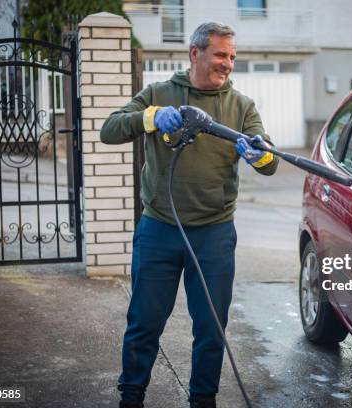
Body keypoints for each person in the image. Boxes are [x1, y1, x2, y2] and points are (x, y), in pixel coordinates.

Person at [100, 22, 279, 408]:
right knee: (144, 323)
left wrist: (260, 153)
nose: (228, 63)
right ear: (195, 53)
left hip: (214, 235)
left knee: (212, 329)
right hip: (159, 230)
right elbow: (110, 129)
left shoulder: (241, 106)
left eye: (232, 56)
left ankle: (203, 400)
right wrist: (150, 117)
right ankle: (131, 396)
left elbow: (270, 164)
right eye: (220, 54)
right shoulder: (161, 94)